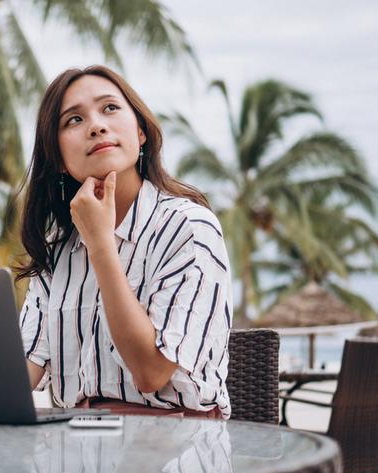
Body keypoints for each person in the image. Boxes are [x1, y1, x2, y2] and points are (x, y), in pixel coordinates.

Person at [14, 65, 233, 419]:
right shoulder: (56, 250)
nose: (96, 126)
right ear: (57, 157)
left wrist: (100, 243)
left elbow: (150, 373)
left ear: (141, 131)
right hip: (77, 445)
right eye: (73, 120)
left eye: (110, 108)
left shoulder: (188, 227)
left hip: (173, 451)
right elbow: (21, 374)